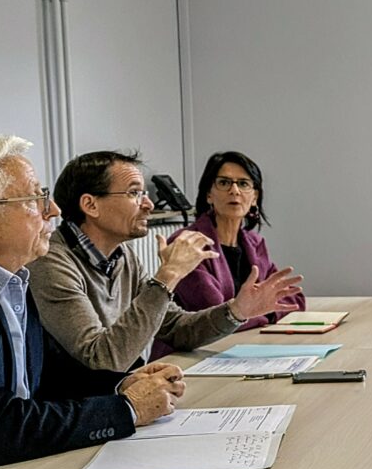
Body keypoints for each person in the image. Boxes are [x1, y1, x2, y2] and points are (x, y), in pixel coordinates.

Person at [0, 133, 185, 469]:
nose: (54, 210)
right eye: (35, 198)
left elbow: (48, 375)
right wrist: (128, 409)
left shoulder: (9, 273)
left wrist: (123, 383)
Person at [27, 150, 303, 372]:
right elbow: (104, 358)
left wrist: (236, 310)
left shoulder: (123, 257)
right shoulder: (51, 262)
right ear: (90, 205)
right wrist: (167, 276)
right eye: (135, 193)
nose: (149, 204)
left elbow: (175, 328)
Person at [152, 152, 305, 355]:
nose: (234, 190)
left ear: (255, 197)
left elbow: (294, 301)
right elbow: (217, 314)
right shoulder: (186, 244)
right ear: (209, 194)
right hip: (190, 358)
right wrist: (262, 310)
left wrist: (257, 310)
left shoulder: (254, 243)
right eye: (224, 183)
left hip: (242, 349)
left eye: (243, 184)